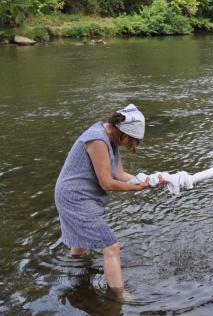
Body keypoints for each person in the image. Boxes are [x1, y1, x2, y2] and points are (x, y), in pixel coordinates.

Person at [54, 104, 164, 297]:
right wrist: (137, 187)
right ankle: (118, 297)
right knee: (111, 246)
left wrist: (146, 181)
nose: (131, 145)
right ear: (123, 132)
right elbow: (107, 183)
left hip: (82, 195)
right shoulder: (97, 140)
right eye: (131, 141)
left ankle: (76, 278)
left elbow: (119, 173)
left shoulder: (111, 138)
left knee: (80, 245)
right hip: (74, 198)